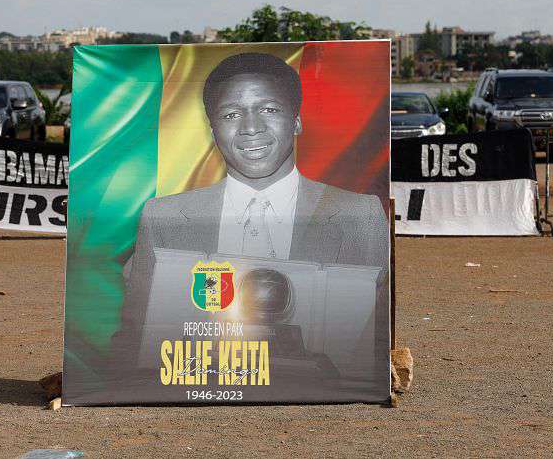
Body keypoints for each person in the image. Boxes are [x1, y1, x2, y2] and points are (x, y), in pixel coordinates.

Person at [114, 52, 389, 360]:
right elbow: (135, 335)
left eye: (269, 109)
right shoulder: (164, 218)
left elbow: (375, 340)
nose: (251, 127)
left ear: (297, 121)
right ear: (212, 131)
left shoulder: (359, 216)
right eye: (231, 115)